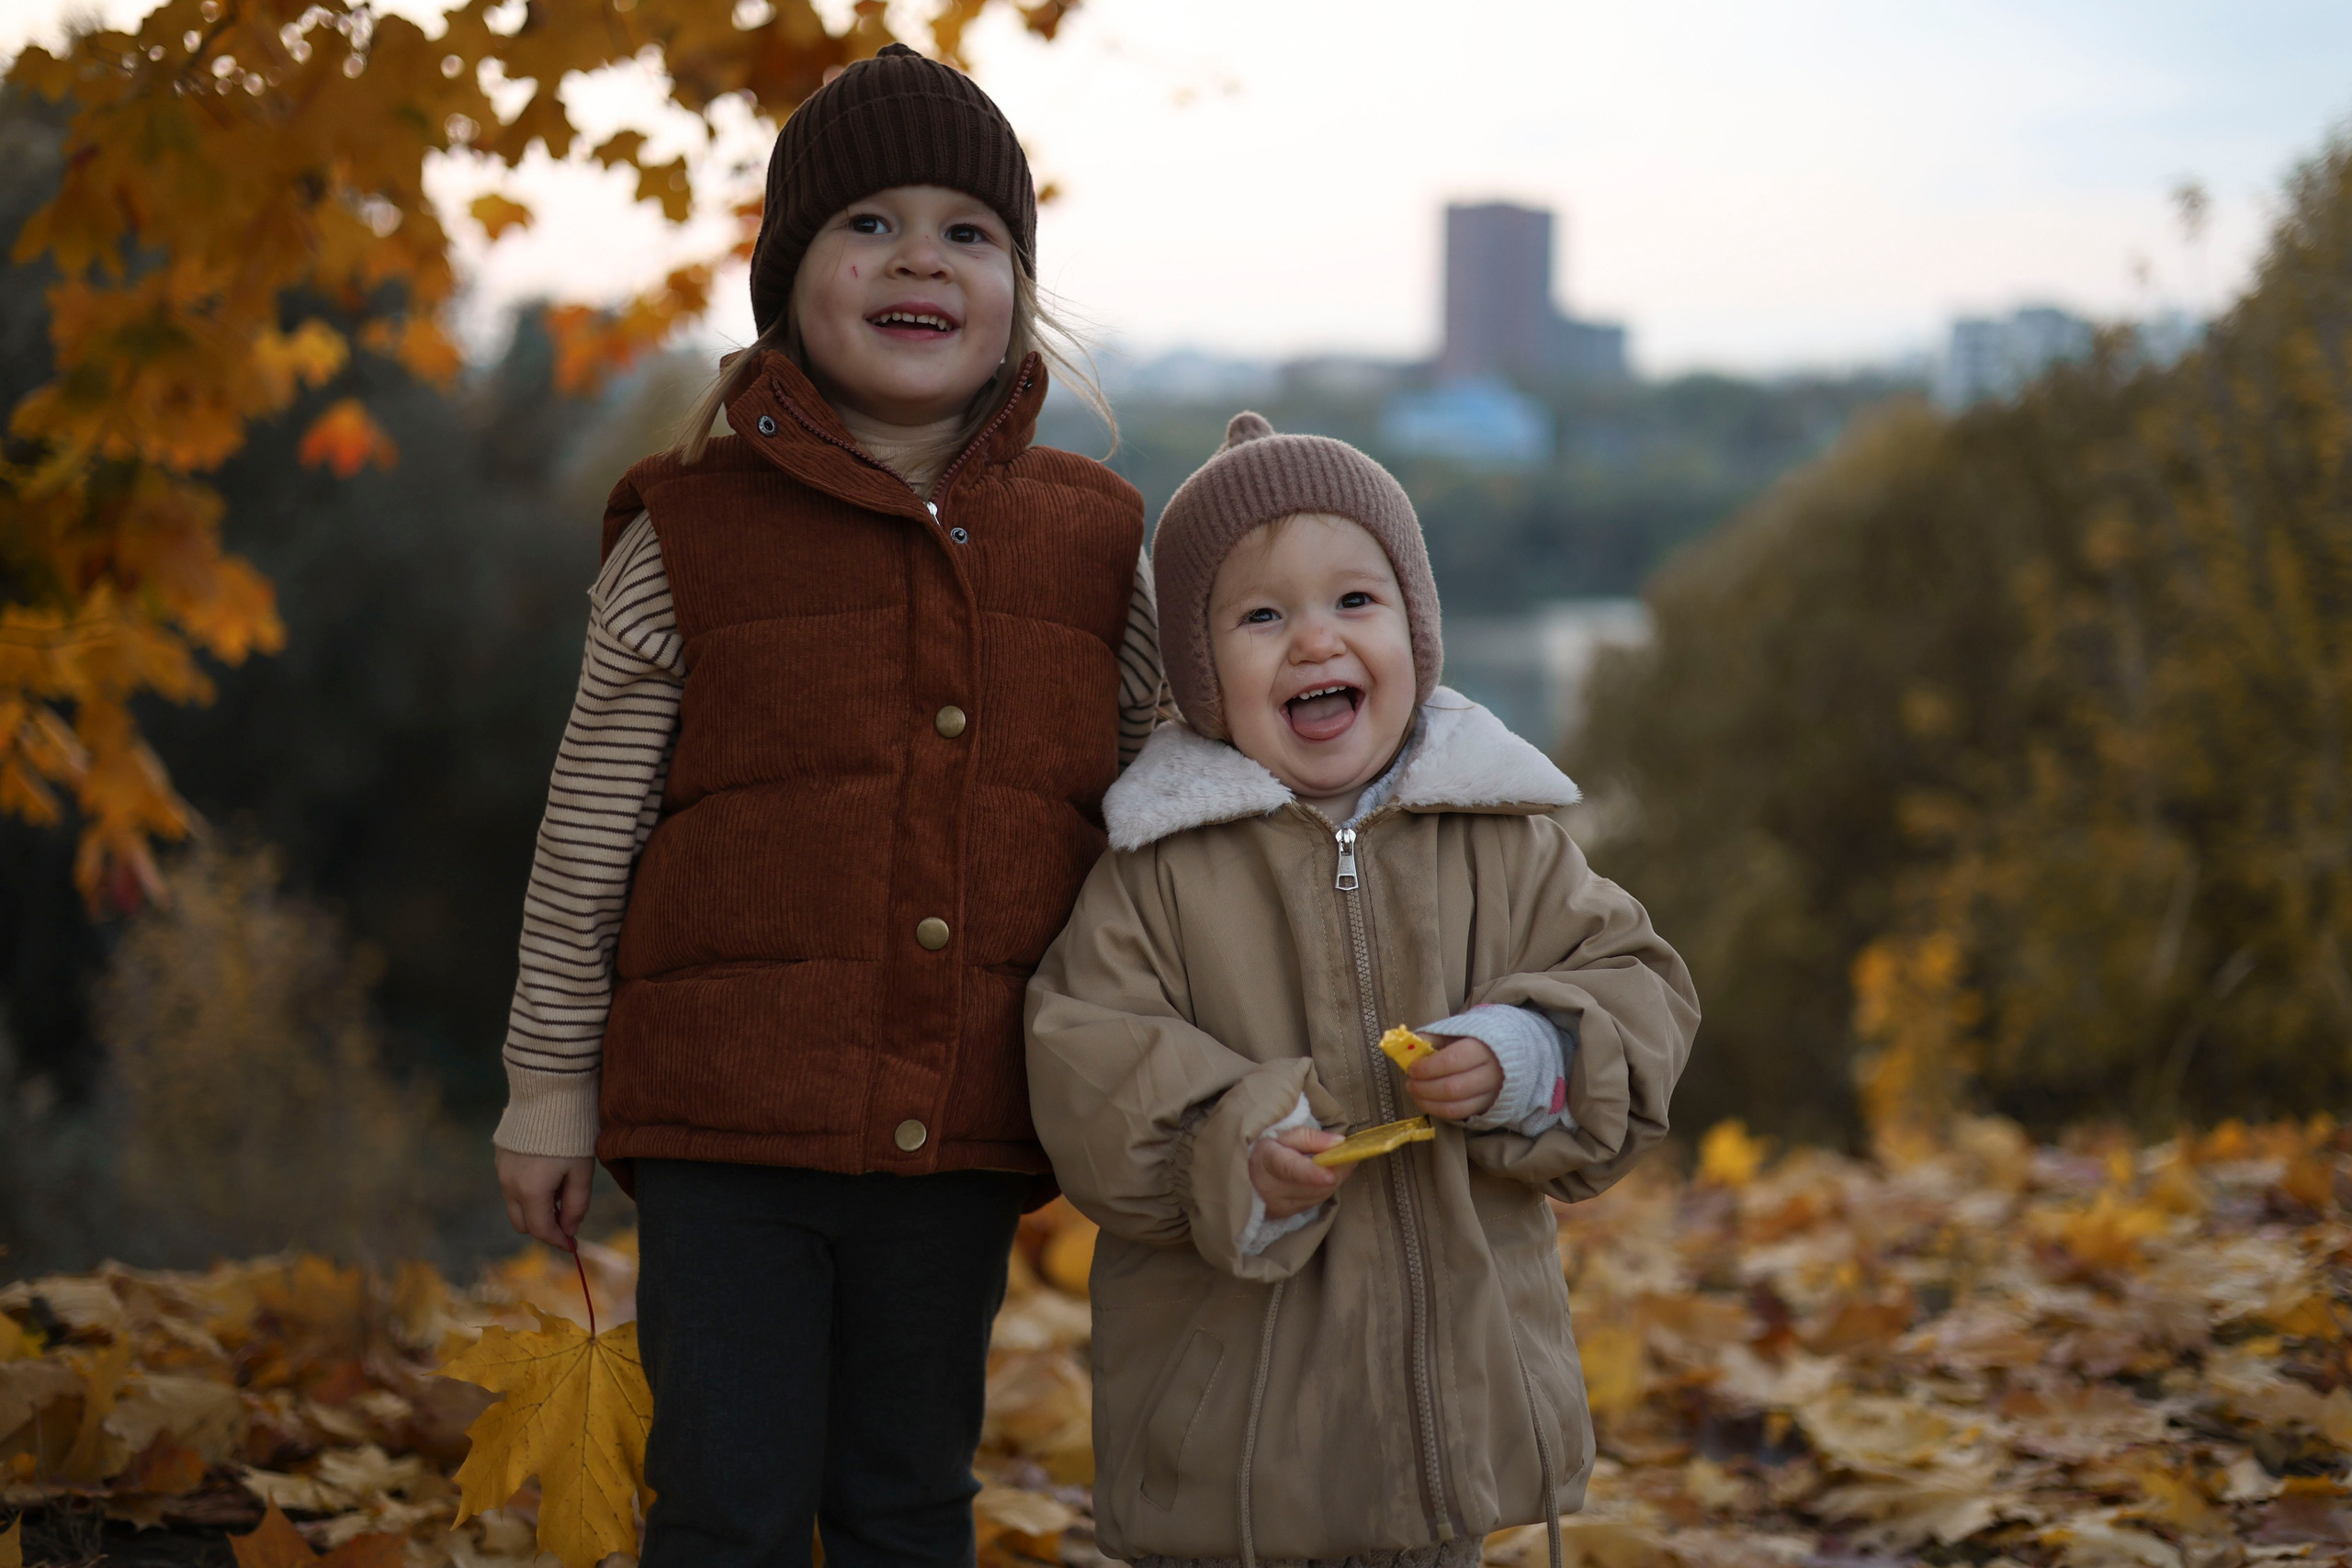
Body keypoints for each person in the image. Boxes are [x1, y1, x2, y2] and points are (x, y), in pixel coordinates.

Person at [488, 44, 1163, 1568]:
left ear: (1019, 289)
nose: (920, 254)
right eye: (868, 223)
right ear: (789, 279)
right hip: (726, 1121)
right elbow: (586, 830)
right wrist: (547, 1084)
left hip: (971, 1119)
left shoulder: (1098, 541)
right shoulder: (689, 529)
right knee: (724, 1498)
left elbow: (1174, 809)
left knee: (908, 1498)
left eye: (967, 232)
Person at [1026, 413, 1699, 1568]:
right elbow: (1088, 1062)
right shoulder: (1155, 872)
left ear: (1415, 632)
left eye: (1354, 602)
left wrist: (1522, 1054)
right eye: (1259, 616)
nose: (1312, 642)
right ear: (1198, 672)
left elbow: (1636, 995)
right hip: (1237, 1453)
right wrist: (1236, 1147)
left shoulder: (1502, 841)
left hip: (1448, 1421)